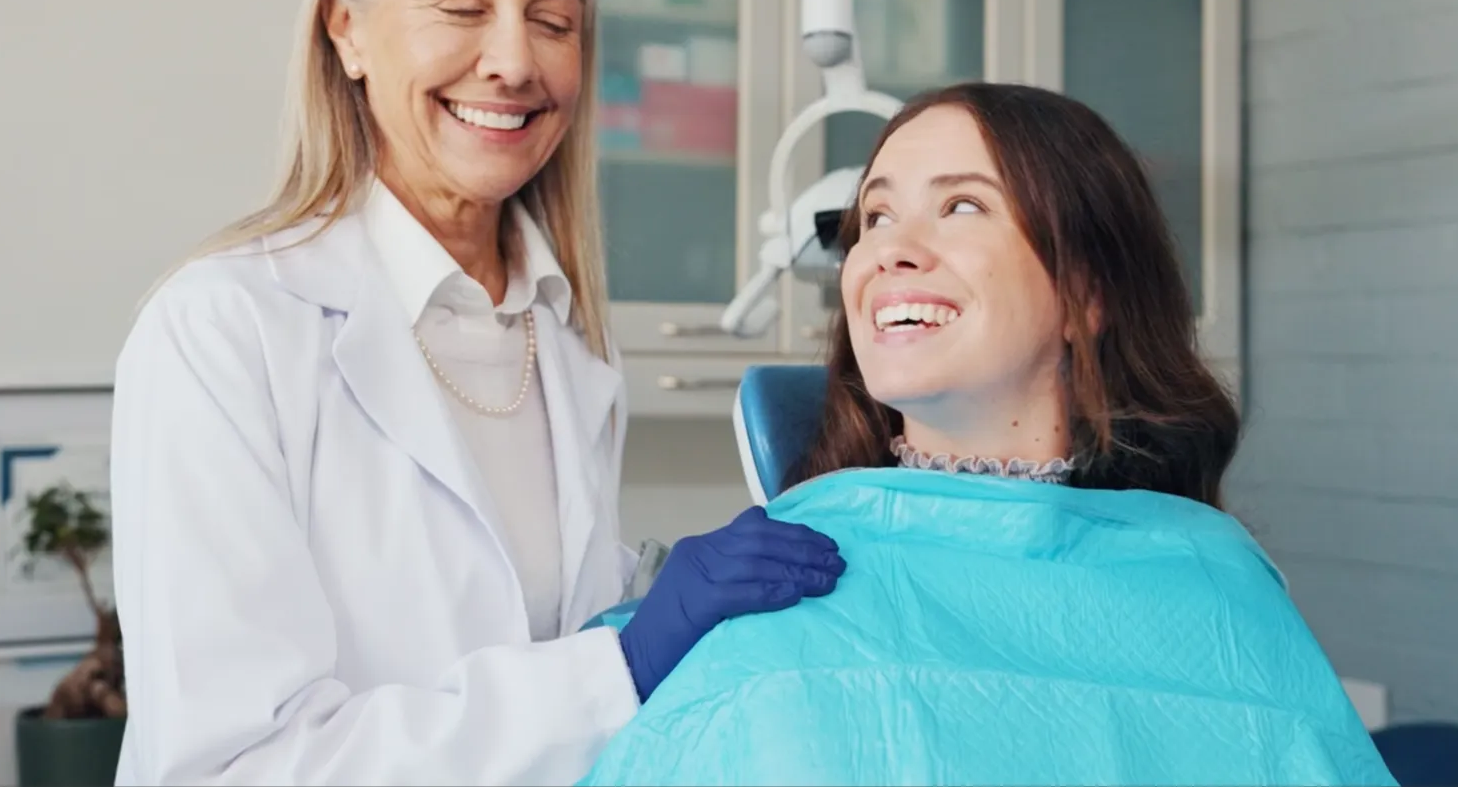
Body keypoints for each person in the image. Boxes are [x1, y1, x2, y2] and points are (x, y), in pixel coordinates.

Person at [105, 0, 845, 787]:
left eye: (555, 18)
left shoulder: (562, 331)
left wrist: (655, 606)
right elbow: (230, 767)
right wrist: (616, 666)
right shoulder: (226, 329)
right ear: (346, 26)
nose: (513, 62)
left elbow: (527, 628)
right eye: (461, 5)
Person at [579, 82, 1397, 787]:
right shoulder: (778, 584)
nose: (889, 250)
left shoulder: (1216, 583)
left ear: (1085, 292)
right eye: (876, 215)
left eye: (962, 204)